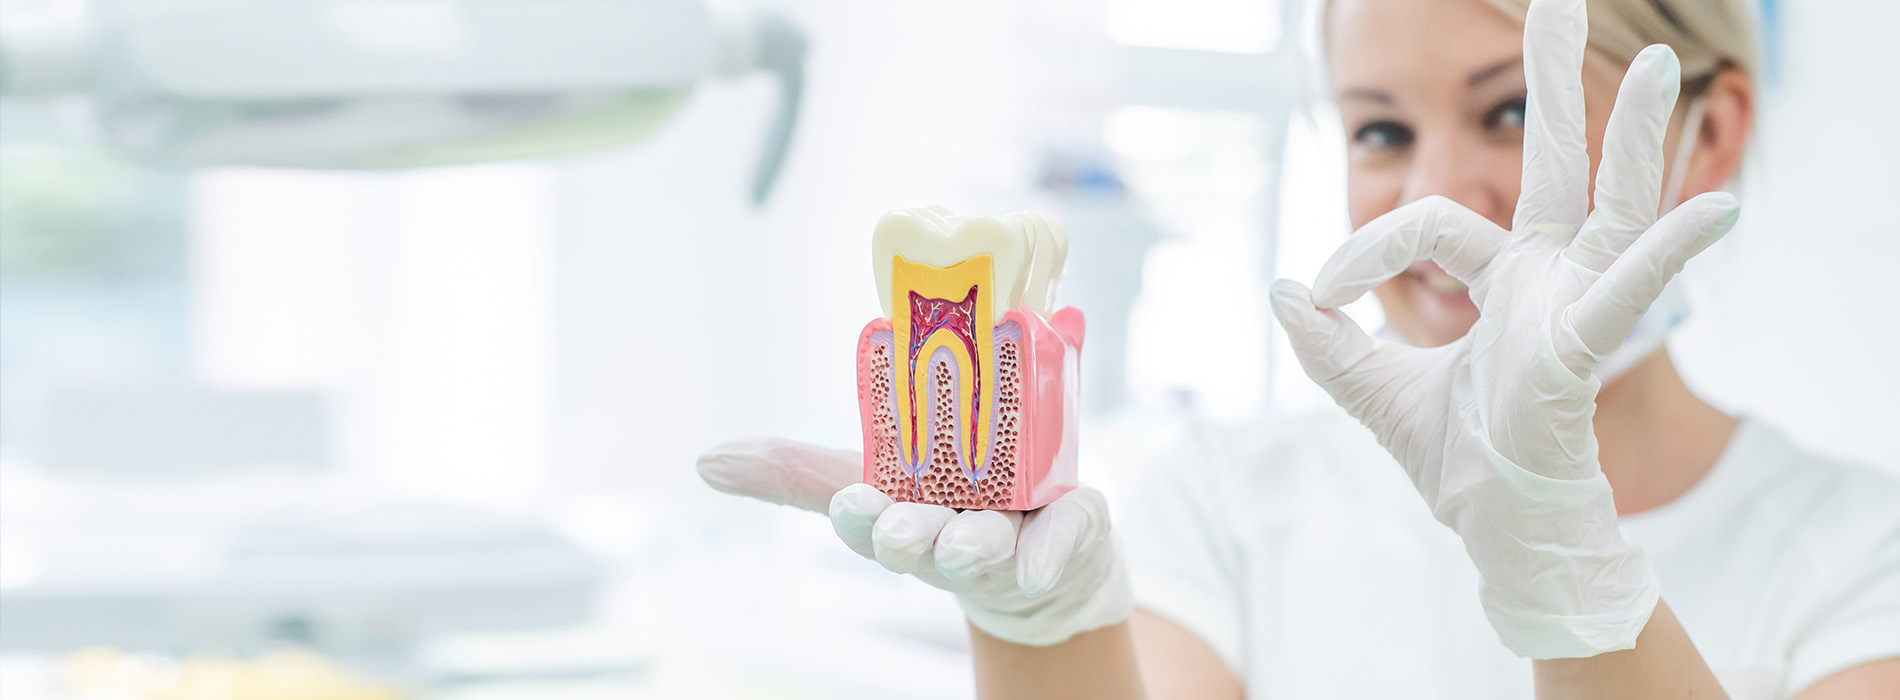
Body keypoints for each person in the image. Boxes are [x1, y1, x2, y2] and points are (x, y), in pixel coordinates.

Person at [696, 0, 1900, 697]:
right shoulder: (1229, 499)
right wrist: (1039, 629)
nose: (1430, 197)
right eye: (1378, 128)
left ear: (1708, 128)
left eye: (1511, 110)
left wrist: (1566, 578)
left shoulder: (1864, 557)